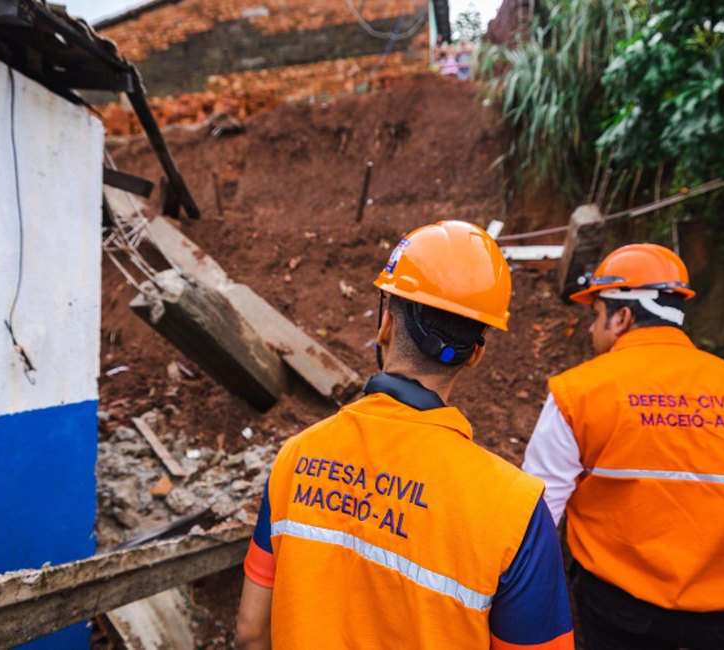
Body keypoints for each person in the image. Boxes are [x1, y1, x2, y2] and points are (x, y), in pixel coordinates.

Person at [237, 221, 574, 649]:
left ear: (385, 326)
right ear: (475, 353)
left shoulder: (295, 459)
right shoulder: (515, 512)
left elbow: (251, 632)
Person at [522, 243, 724, 649]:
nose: (589, 328)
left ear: (622, 317)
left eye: (595, 315)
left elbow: (539, 513)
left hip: (622, 617)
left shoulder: (578, 392)